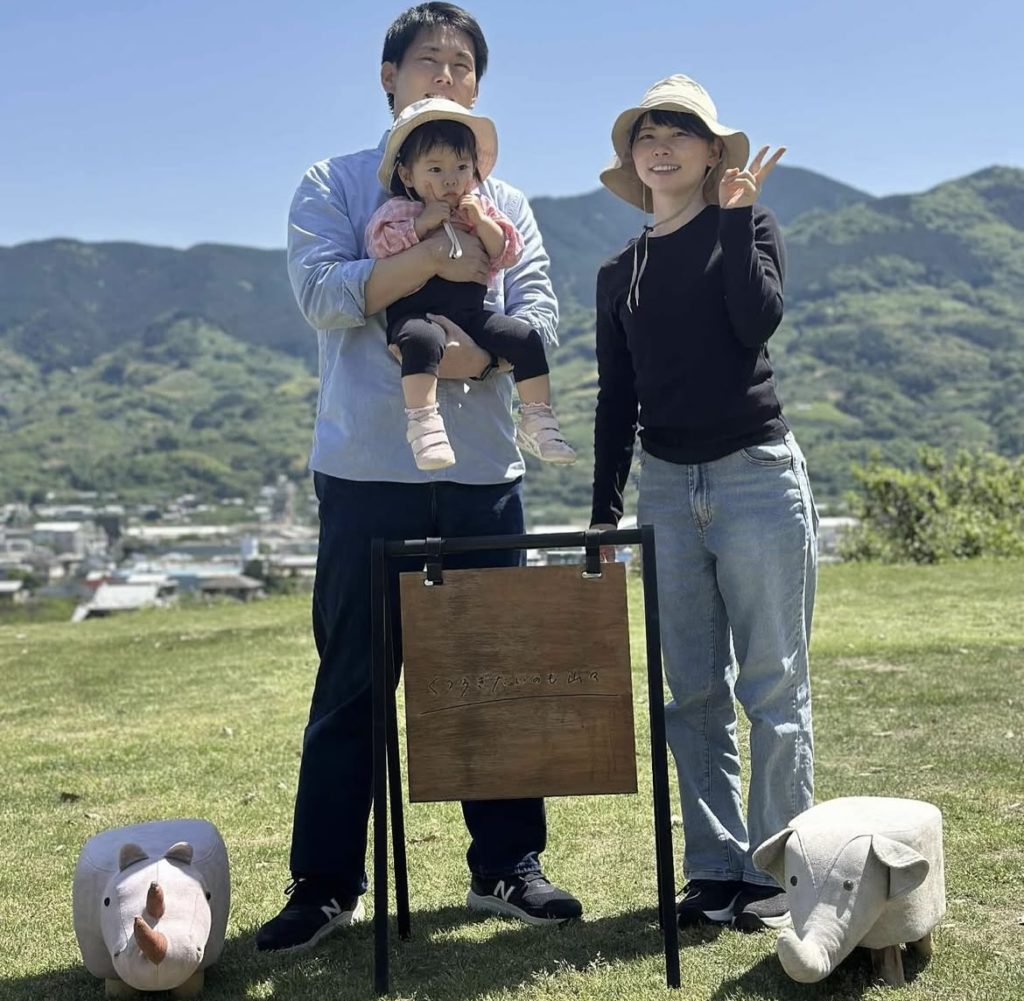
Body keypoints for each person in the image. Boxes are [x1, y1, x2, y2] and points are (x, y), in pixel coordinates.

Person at [256, 3, 582, 954]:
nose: (446, 74)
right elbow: (324, 296)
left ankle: (507, 865)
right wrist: (435, 256)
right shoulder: (336, 182)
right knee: (353, 678)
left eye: (463, 64)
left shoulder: (504, 198)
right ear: (387, 78)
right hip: (366, 468)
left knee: (494, 671)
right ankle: (325, 883)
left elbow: (539, 316)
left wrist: (470, 359)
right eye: (428, 59)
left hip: (482, 470)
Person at [590, 75, 818, 933]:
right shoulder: (620, 271)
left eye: (680, 131)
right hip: (664, 483)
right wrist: (605, 510)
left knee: (773, 685)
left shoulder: (748, 225)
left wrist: (732, 215)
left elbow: (757, 322)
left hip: (755, 472)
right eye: (646, 134)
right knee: (690, 692)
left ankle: (777, 868)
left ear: (712, 151)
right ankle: (716, 869)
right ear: (632, 157)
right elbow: (617, 397)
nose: (661, 145)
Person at [366, 97, 576, 470]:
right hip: (416, 312)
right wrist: (422, 226)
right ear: (408, 175)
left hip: (471, 314)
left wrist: (481, 223)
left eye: (461, 167)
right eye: (435, 169)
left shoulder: (481, 209)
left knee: (525, 337)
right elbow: (379, 246)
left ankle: (537, 417)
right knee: (421, 341)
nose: (450, 179)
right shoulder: (400, 211)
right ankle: (423, 425)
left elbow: (507, 252)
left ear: (474, 172)